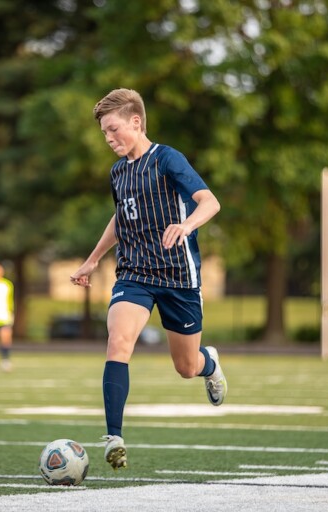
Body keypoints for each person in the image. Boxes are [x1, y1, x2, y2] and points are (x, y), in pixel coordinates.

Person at [70, 88, 227, 470]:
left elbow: (210, 202)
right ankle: (114, 437)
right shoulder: (118, 171)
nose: (108, 139)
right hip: (135, 273)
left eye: (113, 130)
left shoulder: (168, 159)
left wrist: (186, 225)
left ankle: (210, 364)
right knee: (119, 340)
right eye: (104, 133)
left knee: (186, 367)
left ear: (136, 122)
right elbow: (120, 219)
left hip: (178, 276)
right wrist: (92, 260)